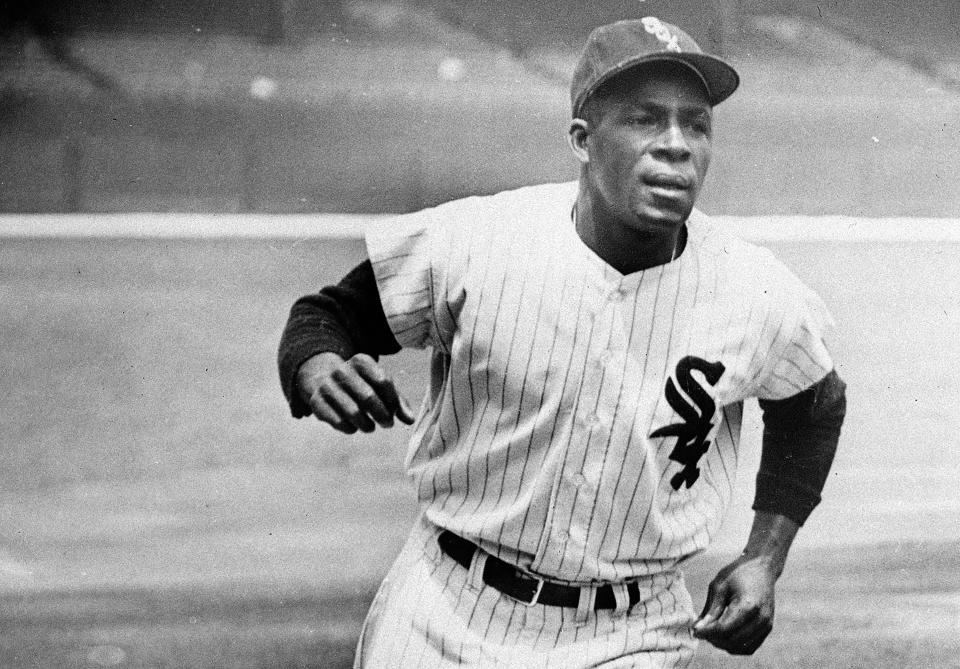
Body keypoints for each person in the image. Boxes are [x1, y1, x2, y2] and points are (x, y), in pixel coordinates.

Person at [278, 17, 846, 668]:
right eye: (643, 119)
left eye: (695, 124)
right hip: (446, 609)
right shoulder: (478, 243)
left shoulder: (753, 290)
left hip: (633, 633)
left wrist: (765, 557)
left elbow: (815, 404)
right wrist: (317, 367)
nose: (676, 145)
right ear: (582, 138)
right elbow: (329, 315)